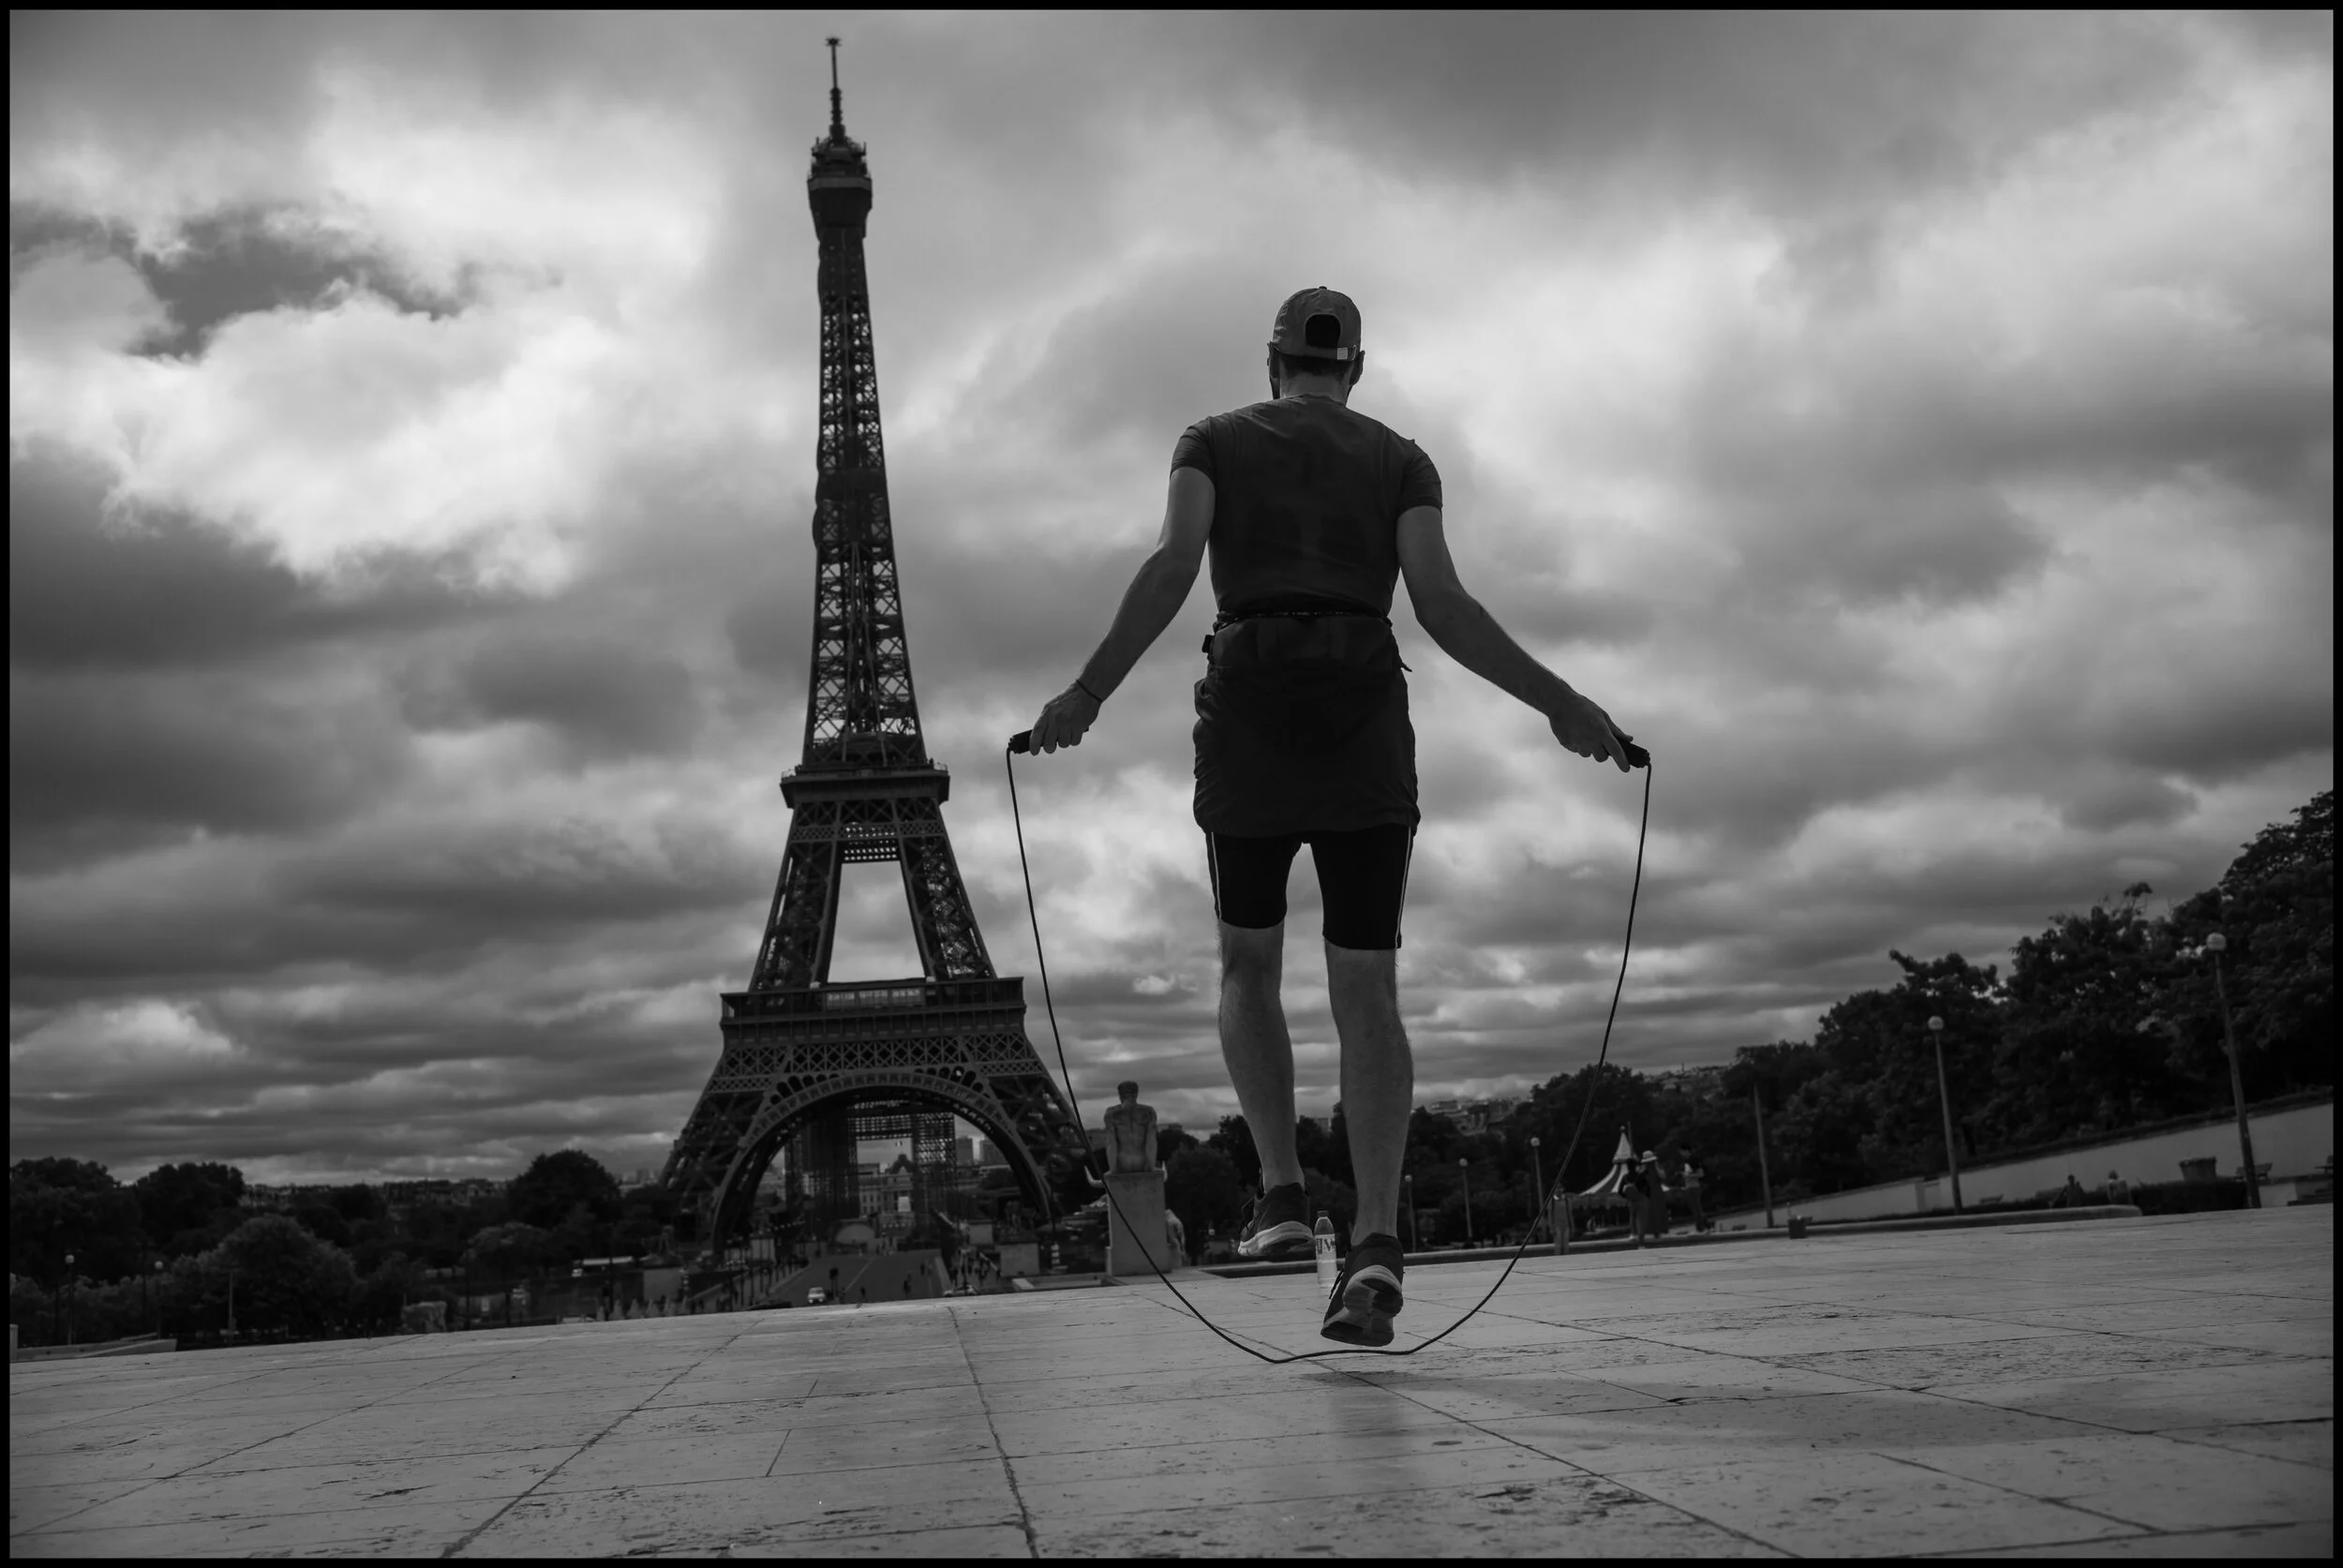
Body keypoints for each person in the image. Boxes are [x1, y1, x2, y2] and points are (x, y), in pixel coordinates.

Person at [1027, 288, 1637, 1345]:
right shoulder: (1403, 458)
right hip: (1360, 710)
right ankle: (1376, 1237)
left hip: (1251, 710)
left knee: (1244, 963)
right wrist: (1563, 704)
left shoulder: (1209, 439)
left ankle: (1274, 1191)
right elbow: (1442, 605)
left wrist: (1085, 692)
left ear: (1273, 361)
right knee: (1366, 981)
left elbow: (1174, 565)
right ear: (1356, 367)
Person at [1680, 1154, 1708, 1232]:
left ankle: (1704, 1226)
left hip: (1694, 1187)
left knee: (1698, 1208)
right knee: (1694, 1209)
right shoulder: (1686, 1165)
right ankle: (1700, 1228)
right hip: (1688, 1187)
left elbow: (1701, 1174)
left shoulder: (1695, 1165)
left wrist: (1688, 1175)